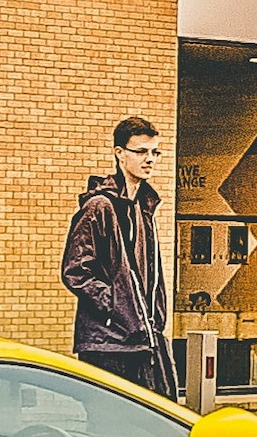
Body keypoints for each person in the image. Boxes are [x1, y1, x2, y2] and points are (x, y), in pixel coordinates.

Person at [61, 117, 180, 399]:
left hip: (143, 339)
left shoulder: (144, 207)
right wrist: (116, 306)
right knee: (110, 419)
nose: (150, 159)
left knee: (156, 414)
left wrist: (150, 318)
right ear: (119, 153)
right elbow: (75, 270)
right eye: (141, 151)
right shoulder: (99, 207)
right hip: (109, 343)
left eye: (155, 152)